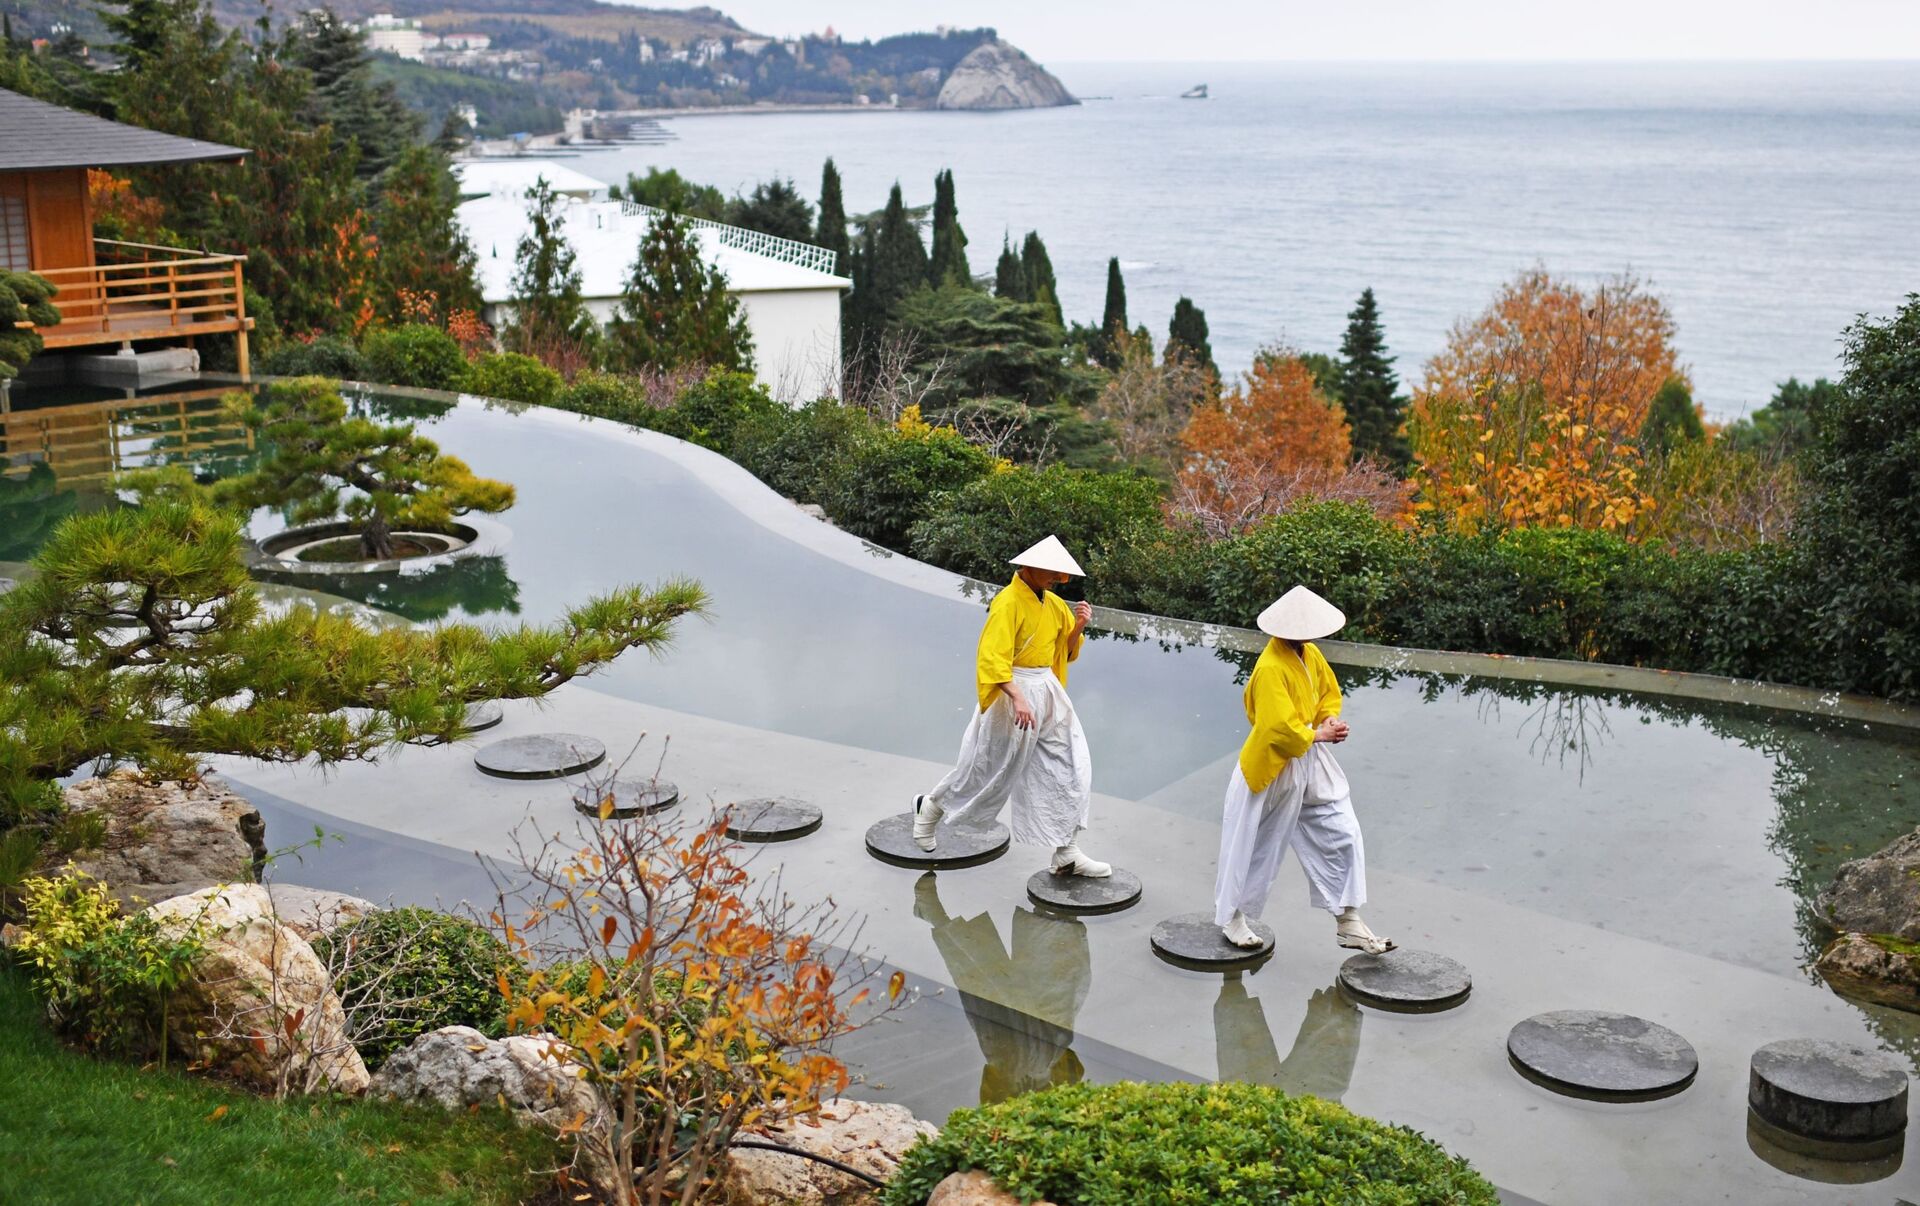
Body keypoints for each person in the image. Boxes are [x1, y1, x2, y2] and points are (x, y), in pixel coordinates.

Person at [912, 535, 1110, 878]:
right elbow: (992, 657)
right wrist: (1017, 697)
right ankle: (929, 807)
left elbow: (1064, 651)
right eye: (1052, 571)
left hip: (1047, 690)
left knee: (1071, 764)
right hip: (1013, 691)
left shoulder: (1054, 604)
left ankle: (1067, 851)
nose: (1057, 578)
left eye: (1059, 573)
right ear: (1030, 567)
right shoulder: (1007, 602)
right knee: (989, 767)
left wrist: (1078, 626)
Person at [1214, 585, 1392, 953]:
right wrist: (1317, 734)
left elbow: (1328, 693)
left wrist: (1328, 720)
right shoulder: (1271, 667)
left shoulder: (1308, 653)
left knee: (1343, 831)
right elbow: (1274, 726)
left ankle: (1348, 921)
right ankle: (1232, 918)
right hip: (1271, 766)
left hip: (1311, 761)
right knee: (1251, 843)